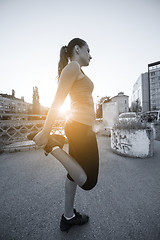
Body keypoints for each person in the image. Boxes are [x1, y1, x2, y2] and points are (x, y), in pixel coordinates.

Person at [33, 38, 99, 232]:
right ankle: (51, 146)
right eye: (88, 50)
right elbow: (57, 101)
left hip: (81, 127)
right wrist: (46, 132)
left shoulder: (77, 70)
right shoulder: (72, 68)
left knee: (73, 174)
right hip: (80, 128)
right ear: (77, 49)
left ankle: (68, 217)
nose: (91, 55)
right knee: (88, 181)